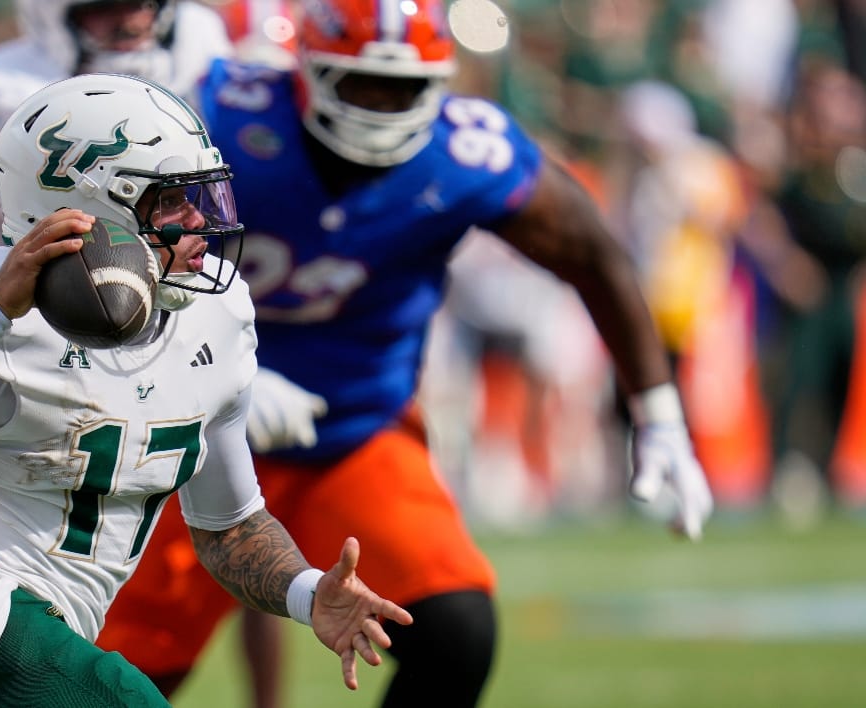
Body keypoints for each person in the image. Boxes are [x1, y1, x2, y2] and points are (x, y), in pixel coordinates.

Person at [94, 0, 716, 706]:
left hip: (354, 436)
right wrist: (208, 373)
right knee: (117, 681)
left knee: (455, 631)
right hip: (194, 440)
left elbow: (593, 254)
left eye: (402, 88)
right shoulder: (219, 119)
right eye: (361, 84)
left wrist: (659, 414)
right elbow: (112, 267)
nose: (381, 107)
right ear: (308, 69)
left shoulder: (465, 154)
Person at [0, 72, 413, 708]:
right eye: (170, 202)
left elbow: (228, 527)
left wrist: (308, 594)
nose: (200, 221)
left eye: (200, 195)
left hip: (44, 644)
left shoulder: (217, 313)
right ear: (90, 212)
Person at [0, 0, 233, 384]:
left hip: (131, 324)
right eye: (105, 9)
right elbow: (91, 234)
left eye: (145, 3)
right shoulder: (10, 96)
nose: (133, 21)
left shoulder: (200, 55)